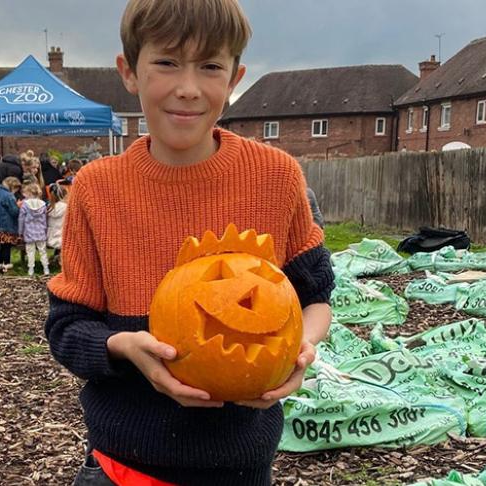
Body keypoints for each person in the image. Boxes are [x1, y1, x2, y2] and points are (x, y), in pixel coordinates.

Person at [44, 1, 335, 484]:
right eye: (166, 62)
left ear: (234, 77)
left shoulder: (277, 178)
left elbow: (316, 299)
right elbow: (67, 329)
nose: (188, 88)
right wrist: (122, 346)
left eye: (210, 66)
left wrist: (294, 350)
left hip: (241, 466)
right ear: (129, 72)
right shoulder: (97, 188)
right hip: (122, 468)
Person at [0, 176, 22, 273]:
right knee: (6, 245)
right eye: (16, 189)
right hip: (6, 225)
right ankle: (6, 263)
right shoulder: (9, 196)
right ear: (12, 186)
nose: (15, 192)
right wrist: (18, 205)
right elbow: (14, 212)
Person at [18, 183, 50, 276]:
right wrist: (45, 230)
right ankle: (46, 268)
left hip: (29, 231)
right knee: (43, 251)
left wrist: (20, 232)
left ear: (29, 193)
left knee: (30, 251)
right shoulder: (43, 205)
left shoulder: (25, 205)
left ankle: (31, 269)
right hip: (40, 231)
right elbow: (45, 219)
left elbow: (21, 219)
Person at [45, 181, 68, 264]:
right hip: (61, 238)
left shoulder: (50, 206)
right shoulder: (66, 207)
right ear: (64, 196)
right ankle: (61, 259)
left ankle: (56, 257)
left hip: (50, 237)